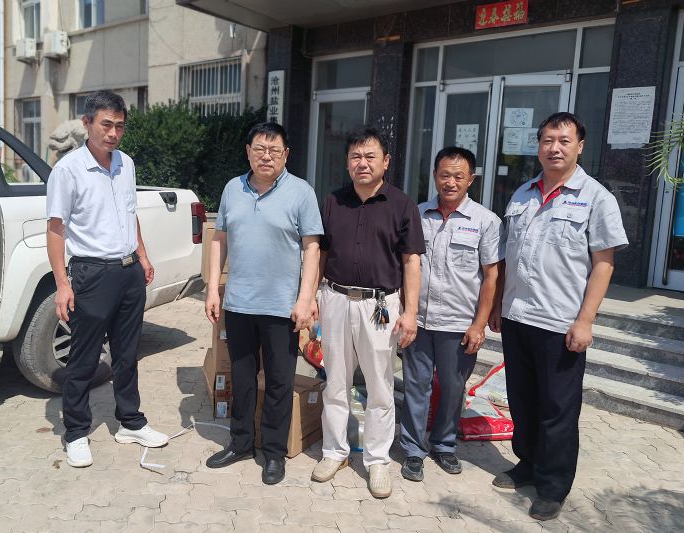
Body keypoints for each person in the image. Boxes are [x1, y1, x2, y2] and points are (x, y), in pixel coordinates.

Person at [489, 112, 628, 521]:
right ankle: (528, 463)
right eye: (548, 140)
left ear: (579, 146)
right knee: (523, 399)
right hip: (517, 316)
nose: (555, 148)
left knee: (558, 408)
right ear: (538, 146)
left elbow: (604, 264)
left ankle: (552, 486)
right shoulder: (522, 194)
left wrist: (586, 320)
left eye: (564, 141)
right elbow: (507, 256)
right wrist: (497, 306)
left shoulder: (597, 198)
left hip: (560, 322)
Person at [46, 90, 169, 468]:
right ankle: (76, 432)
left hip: (129, 271)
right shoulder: (68, 170)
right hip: (92, 274)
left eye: (119, 126)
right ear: (87, 124)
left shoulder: (125, 164)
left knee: (127, 353)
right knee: (84, 357)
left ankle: (130, 421)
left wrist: (142, 256)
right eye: (106, 125)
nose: (113, 133)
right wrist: (62, 283)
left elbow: (130, 213)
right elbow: (55, 228)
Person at [204, 122, 323, 485]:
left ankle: (273, 452)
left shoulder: (301, 192)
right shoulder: (232, 189)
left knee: (278, 382)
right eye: (259, 149)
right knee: (241, 378)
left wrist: (306, 298)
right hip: (239, 303)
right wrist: (212, 289)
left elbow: (312, 248)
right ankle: (241, 443)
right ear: (248, 152)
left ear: (286, 154)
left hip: (281, 307)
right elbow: (219, 240)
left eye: (274, 150)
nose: (266, 156)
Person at [311, 127, 424, 499]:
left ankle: (377, 460)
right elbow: (321, 253)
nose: (362, 163)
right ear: (347, 163)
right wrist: (311, 296)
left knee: (379, 384)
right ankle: (334, 451)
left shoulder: (402, 205)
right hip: (335, 299)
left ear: (385, 161)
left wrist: (410, 312)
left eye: (370, 156)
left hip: (380, 305)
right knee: (335, 380)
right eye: (355, 157)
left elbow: (411, 261)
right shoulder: (332, 202)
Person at [399, 147, 502, 482]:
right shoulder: (417, 214)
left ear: (471, 179)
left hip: (459, 323)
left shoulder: (486, 221)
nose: (451, 182)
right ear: (435, 176)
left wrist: (479, 324)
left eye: (459, 176)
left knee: (453, 387)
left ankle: (444, 445)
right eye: (445, 175)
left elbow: (491, 276)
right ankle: (413, 450)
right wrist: (404, 312)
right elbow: (405, 265)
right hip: (419, 320)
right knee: (416, 386)